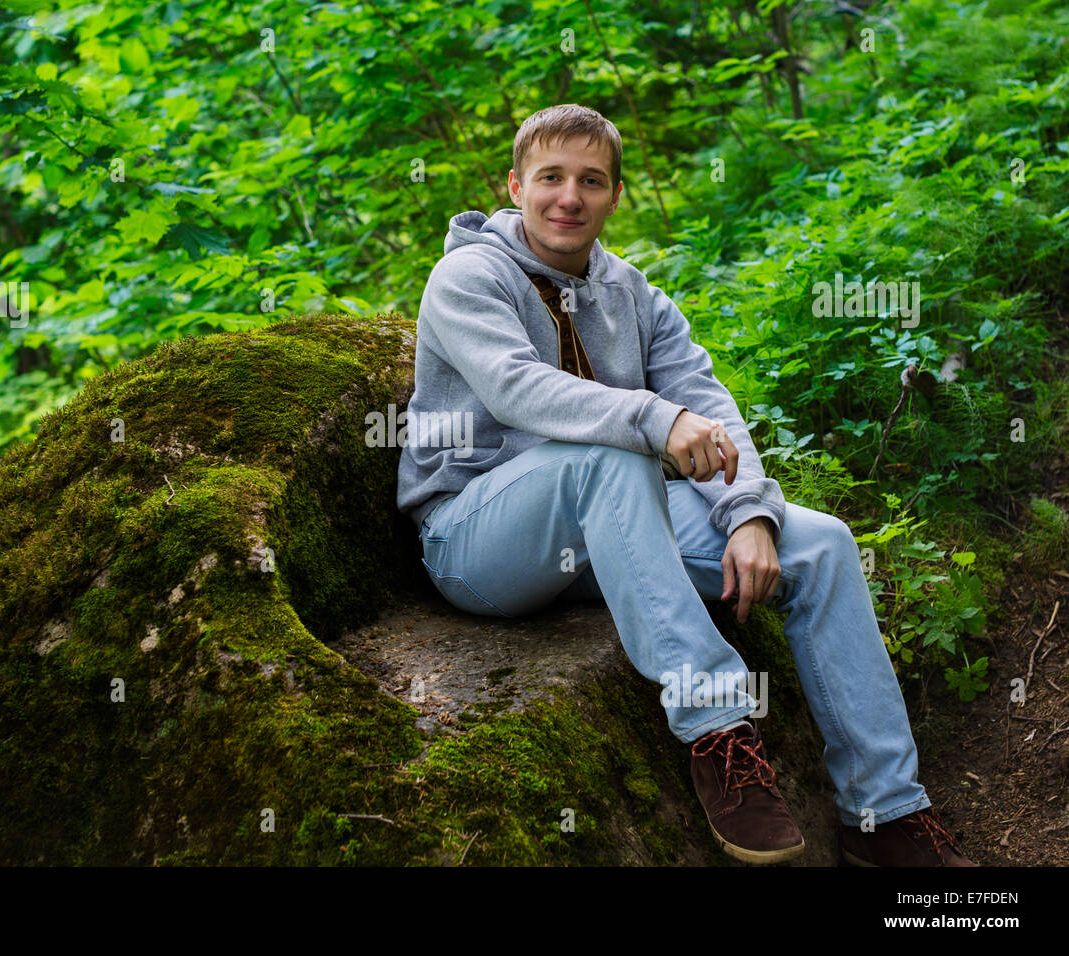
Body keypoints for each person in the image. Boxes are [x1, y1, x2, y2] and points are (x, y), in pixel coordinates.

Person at [395, 103, 975, 867]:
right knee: (612, 454)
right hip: (478, 536)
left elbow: (708, 403)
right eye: (551, 178)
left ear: (614, 195)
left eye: (591, 181)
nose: (570, 196)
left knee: (824, 544)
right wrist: (653, 418)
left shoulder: (630, 292)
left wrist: (749, 516)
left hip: (609, 531)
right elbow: (517, 390)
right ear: (515, 186)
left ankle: (885, 816)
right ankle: (717, 734)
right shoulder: (467, 275)